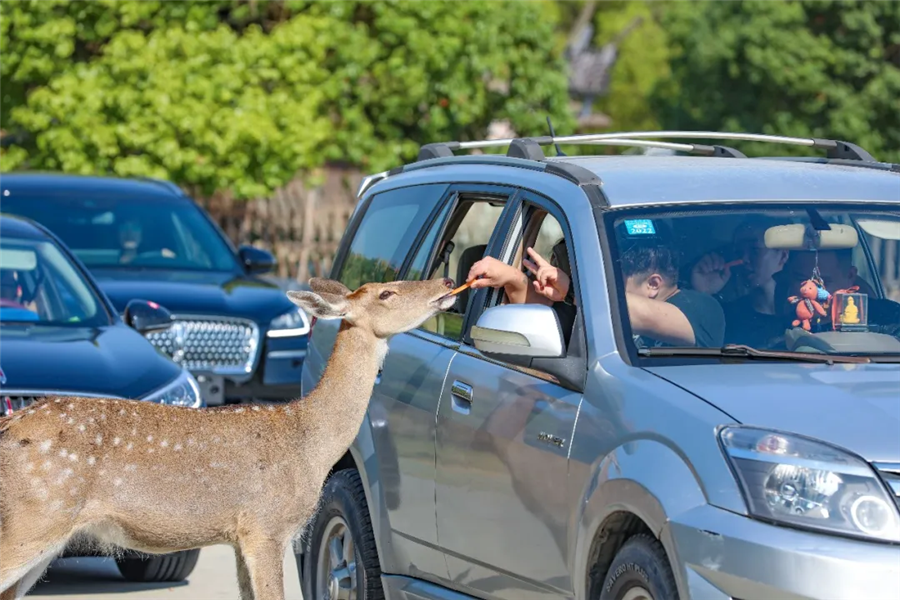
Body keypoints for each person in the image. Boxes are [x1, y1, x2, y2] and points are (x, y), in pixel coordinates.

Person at [467, 235, 726, 348]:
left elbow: (645, 315)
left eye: (612, 279)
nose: (603, 285)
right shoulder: (592, 303)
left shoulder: (702, 308)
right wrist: (513, 277)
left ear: (653, 284)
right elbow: (552, 317)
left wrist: (572, 289)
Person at [691, 218, 790, 348]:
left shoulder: (807, 312)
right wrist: (703, 293)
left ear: (783, 256)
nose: (744, 260)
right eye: (738, 252)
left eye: (754, 250)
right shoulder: (726, 318)